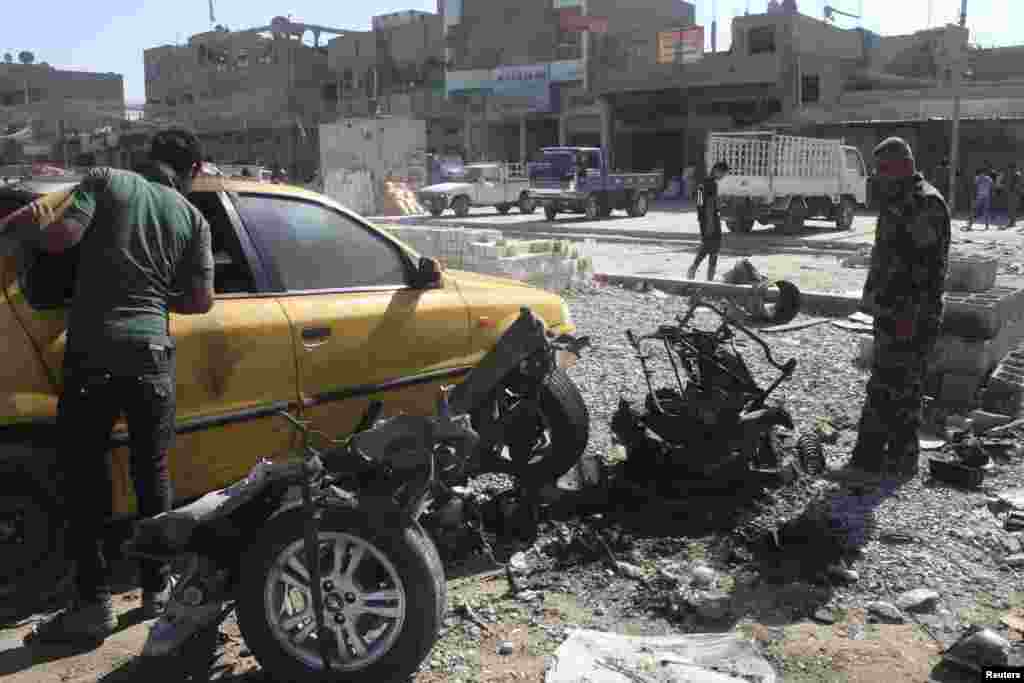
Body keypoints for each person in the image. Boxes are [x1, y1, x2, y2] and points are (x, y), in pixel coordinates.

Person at [0, 128, 215, 644]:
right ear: (191, 172)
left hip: (94, 354)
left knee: (85, 483)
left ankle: (92, 606)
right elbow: (200, 301)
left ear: (149, 159)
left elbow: (64, 238)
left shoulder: (105, 180)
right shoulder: (194, 218)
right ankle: (154, 591)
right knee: (152, 477)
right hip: (152, 359)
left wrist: (18, 226)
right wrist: (154, 295)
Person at [848, 137, 951, 477]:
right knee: (903, 388)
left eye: (883, 170)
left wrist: (889, 305)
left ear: (902, 166)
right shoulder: (900, 200)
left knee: (887, 386)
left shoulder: (923, 204)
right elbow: (887, 258)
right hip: (898, 311)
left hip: (910, 315)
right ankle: (901, 461)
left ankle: (866, 463)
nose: (878, 177)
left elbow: (913, 269)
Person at [687, 161, 729, 281]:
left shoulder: (702, 183)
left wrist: (703, 216)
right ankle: (709, 277)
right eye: (723, 174)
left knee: (707, 245)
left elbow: (699, 202)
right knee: (714, 247)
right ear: (716, 171)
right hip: (710, 219)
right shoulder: (712, 185)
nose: (722, 177)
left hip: (703, 219)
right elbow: (710, 205)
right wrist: (711, 221)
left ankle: (694, 269)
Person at [1003, 162, 1021, 229]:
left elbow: (1016, 184)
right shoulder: (1013, 174)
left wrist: (1012, 190)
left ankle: (1012, 222)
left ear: (1013, 168)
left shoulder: (1016, 174)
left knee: (1012, 208)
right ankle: (1012, 222)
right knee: (1011, 208)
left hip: (1014, 193)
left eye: (1010, 168)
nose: (1009, 170)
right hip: (1012, 193)